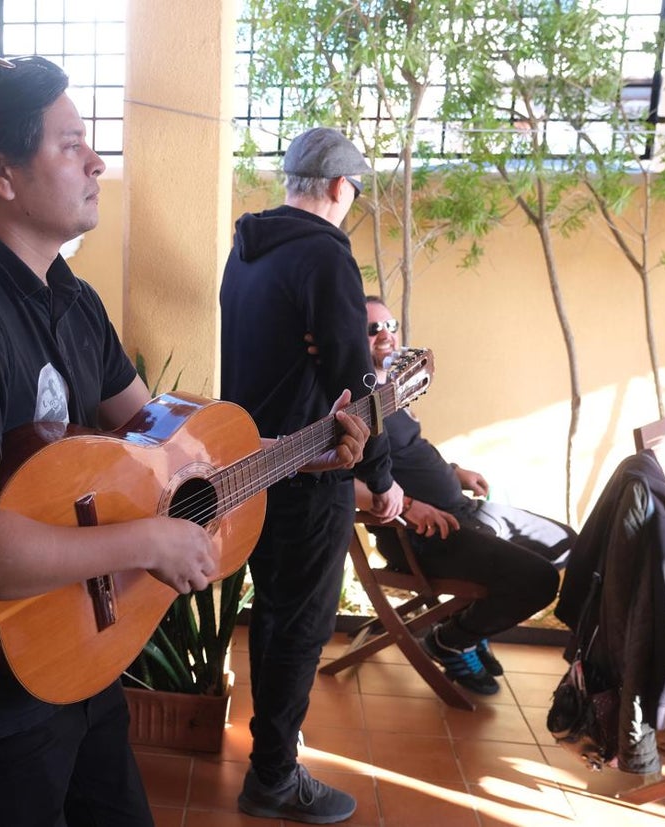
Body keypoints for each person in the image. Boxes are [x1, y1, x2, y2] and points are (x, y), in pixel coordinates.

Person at [0, 59, 371, 827]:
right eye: (70, 143)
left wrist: (301, 448)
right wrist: (148, 540)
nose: (97, 160)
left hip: (79, 653)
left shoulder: (71, 298)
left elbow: (173, 446)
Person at [220, 127, 404, 824]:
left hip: (251, 464)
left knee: (271, 615)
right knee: (298, 625)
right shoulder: (325, 256)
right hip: (311, 468)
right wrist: (380, 475)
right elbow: (355, 381)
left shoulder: (247, 252)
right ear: (336, 186)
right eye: (353, 190)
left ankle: (272, 754)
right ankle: (273, 775)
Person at [357, 296, 576, 695]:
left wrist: (454, 472)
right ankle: (451, 639)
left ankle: (465, 624)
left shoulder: (389, 388)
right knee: (539, 580)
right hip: (423, 534)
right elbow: (342, 481)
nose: (386, 336)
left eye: (391, 326)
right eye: (373, 329)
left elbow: (409, 451)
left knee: (566, 544)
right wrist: (405, 506)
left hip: (463, 508)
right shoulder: (351, 400)